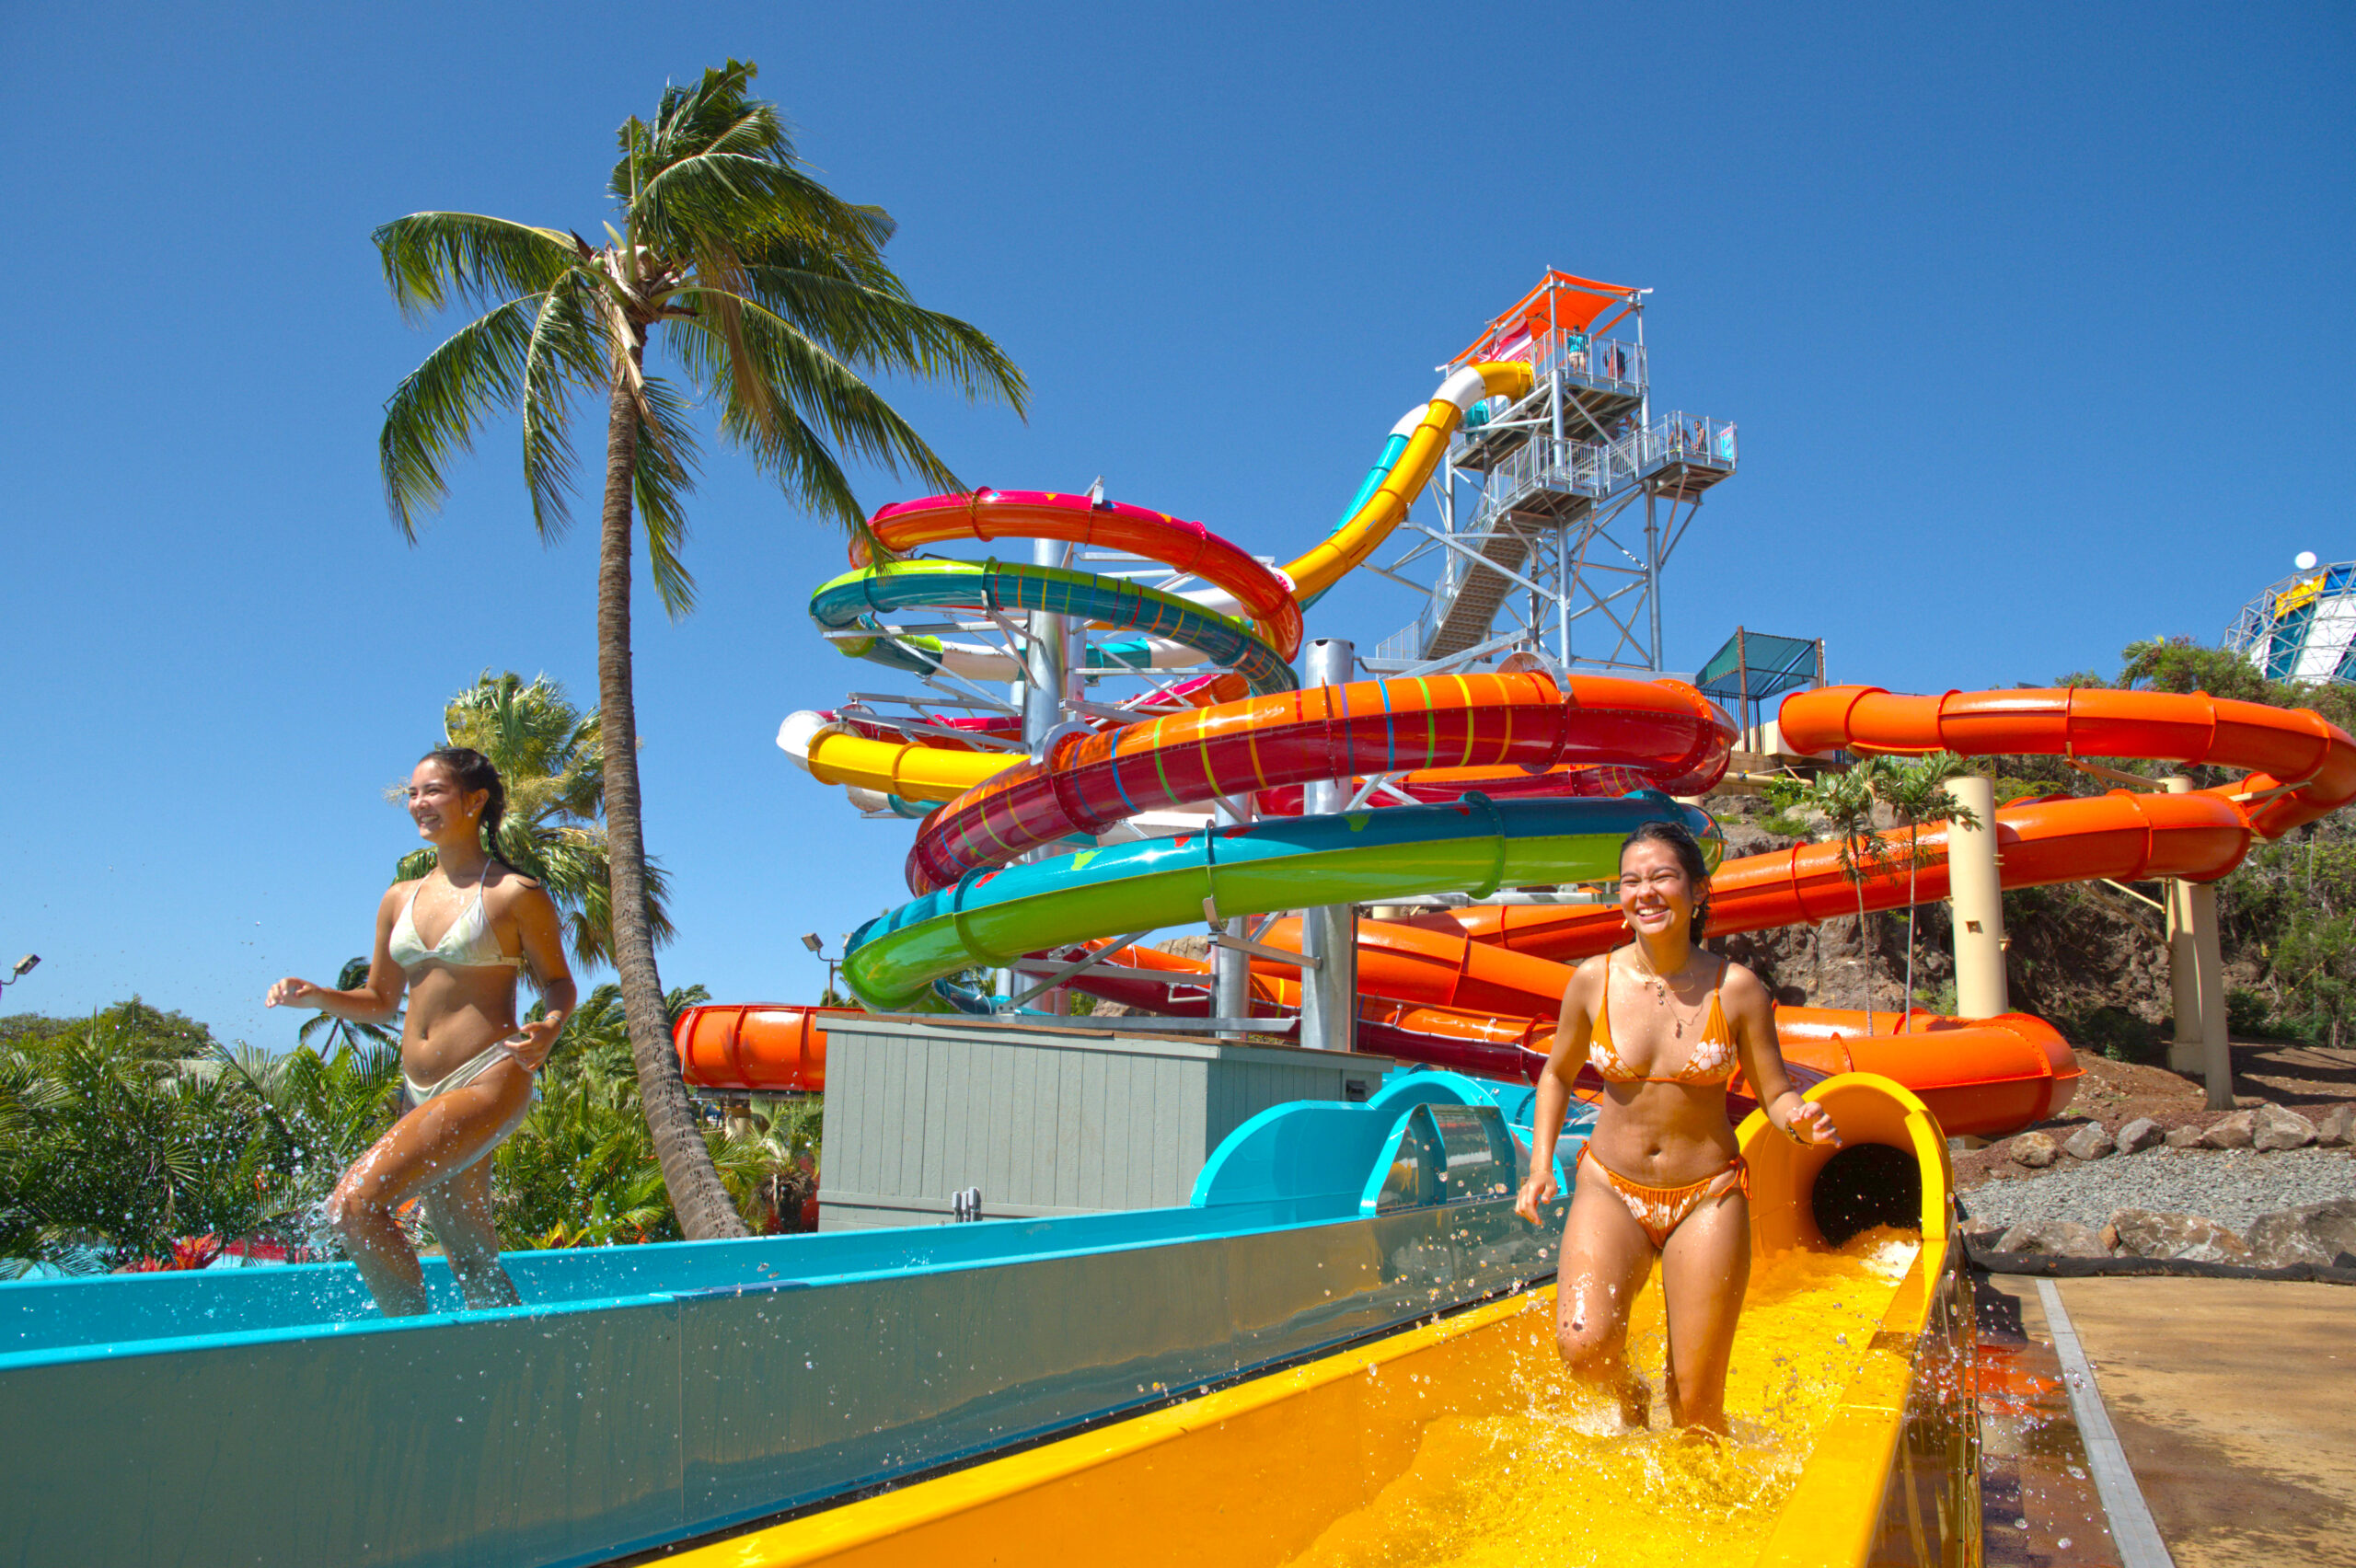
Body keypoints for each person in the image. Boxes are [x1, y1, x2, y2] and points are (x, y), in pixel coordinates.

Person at [1514, 820, 1838, 1434]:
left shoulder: (1736, 990)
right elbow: (1556, 1075)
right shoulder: (1593, 980)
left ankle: (1699, 1512)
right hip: (1610, 1187)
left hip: (1706, 1197)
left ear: (1697, 892)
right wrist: (1540, 1166)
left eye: (1662, 876)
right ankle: (1631, 1398)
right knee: (1581, 1351)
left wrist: (1801, 1118)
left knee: (1695, 1405)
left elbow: (1774, 1094)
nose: (1646, 891)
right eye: (1631, 881)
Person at [267, 748, 575, 1315]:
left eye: (432, 791)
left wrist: (550, 1027)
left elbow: (558, 983)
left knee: (352, 1206)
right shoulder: (398, 898)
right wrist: (317, 996)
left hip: (488, 1076)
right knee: (468, 1251)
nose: (417, 803)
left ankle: (410, 1348)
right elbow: (381, 1002)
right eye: (412, 793)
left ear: (475, 800)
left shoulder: (513, 894)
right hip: (418, 1089)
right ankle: (510, 1364)